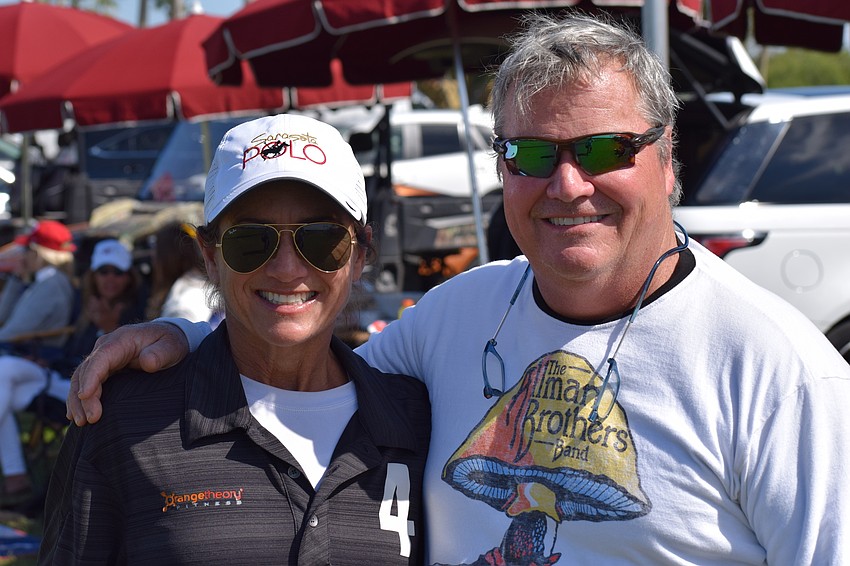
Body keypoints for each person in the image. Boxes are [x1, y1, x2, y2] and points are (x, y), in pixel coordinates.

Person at [66, 13, 850, 565]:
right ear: (503, 167)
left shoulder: (780, 372)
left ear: (668, 156)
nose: (568, 184)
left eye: (605, 147)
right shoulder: (457, 315)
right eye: (532, 154)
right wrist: (183, 337)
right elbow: (305, 353)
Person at [42, 113, 431, 564]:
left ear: (360, 254)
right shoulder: (125, 422)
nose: (287, 269)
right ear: (210, 256)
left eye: (322, 239)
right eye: (252, 241)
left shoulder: (417, 421)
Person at [0, 238, 144, 508]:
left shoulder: (136, 311)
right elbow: (69, 354)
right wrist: (44, 359)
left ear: (129, 277)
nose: (109, 279)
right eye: (103, 271)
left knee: (3, 375)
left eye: (117, 272)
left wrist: (109, 327)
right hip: (61, 377)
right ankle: (16, 481)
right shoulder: (85, 303)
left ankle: (15, 479)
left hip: (90, 392)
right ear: (93, 274)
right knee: (3, 379)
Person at [146, 221, 217, 324]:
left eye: (156, 254)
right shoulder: (197, 284)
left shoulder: (186, 296)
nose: (153, 261)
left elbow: (185, 338)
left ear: (167, 258)